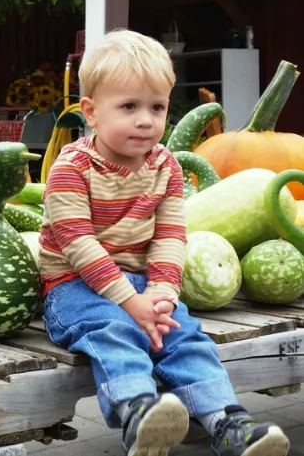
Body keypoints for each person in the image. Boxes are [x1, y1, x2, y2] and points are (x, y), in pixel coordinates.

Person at [38, 29, 290, 456]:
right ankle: (138, 411)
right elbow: (79, 244)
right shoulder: (72, 168)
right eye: (129, 106)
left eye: (157, 107)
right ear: (91, 112)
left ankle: (228, 423)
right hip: (74, 287)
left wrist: (162, 294)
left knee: (186, 335)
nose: (146, 119)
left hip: (141, 284)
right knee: (113, 329)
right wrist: (128, 302)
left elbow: (172, 236)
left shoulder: (166, 166)